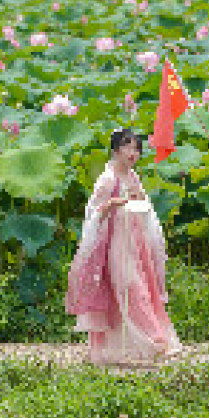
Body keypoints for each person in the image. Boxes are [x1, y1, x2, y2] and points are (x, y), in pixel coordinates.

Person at [66, 128, 181, 365]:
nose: (133, 153)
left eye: (136, 148)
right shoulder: (108, 179)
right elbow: (94, 212)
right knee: (129, 286)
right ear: (116, 150)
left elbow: (144, 208)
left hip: (135, 242)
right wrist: (112, 203)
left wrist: (140, 199)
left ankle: (144, 344)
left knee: (142, 289)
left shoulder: (133, 177)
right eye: (127, 147)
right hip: (115, 243)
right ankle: (154, 340)